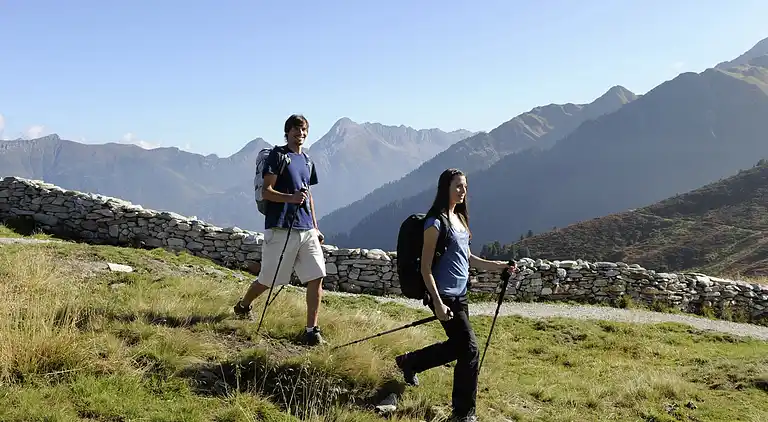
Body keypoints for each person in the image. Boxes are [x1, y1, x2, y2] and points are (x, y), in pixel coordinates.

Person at [394, 168, 517, 422]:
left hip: (460, 295)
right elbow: (425, 268)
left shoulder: (459, 219)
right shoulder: (435, 222)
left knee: (459, 347)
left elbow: (468, 258)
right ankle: (462, 414)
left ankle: (410, 362)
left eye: (465, 187)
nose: (463, 191)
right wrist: (437, 303)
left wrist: (500, 266)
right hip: (444, 296)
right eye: (458, 186)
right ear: (445, 188)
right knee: (470, 349)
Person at [233, 114, 328, 346]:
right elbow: (267, 191)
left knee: (317, 276)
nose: (301, 133)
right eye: (296, 129)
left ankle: (311, 331)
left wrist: (315, 227)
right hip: (281, 227)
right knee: (268, 278)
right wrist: (291, 198)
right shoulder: (278, 156)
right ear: (287, 132)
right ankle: (243, 306)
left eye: (304, 130)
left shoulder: (307, 161)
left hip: (306, 229)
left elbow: (309, 196)